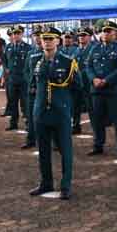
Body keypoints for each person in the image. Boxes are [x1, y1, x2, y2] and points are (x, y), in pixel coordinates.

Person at [28, 26, 80, 200]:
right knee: (43, 150)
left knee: (65, 149)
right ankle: (46, 182)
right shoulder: (35, 59)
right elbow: (32, 85)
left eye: (51, 39)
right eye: (44, 39)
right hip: (41, 112)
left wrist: (67, 106)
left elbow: (77, 87)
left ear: (58, 40)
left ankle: (65, 185)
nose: (47, 42)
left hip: (61, 111)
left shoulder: (68, 61)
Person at [86, 21, 117, 159]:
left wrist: (106, 80)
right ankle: (98, 145)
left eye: (109, 31)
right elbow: (88, 66)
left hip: (113, 90)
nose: (105, 33)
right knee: (97, 120)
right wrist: (93, 79)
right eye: (104, 31)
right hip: (97, 91)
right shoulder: (95, 48)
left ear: (114, 33)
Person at [3, 26, 31, 132]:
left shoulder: (28, 47)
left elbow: (29, 64)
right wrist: (6, 69)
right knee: (12, 102)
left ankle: (28, 124)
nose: (16, 35)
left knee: (25, 103)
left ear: (22, 34)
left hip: (23, 79)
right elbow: (5, 60)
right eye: (14, 33)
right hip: (12, 79)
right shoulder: (8, 47)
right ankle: (13, 123)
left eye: (18, 33)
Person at [22, 28, 43, 149]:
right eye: (35, 36)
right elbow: (26, 71)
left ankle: (54, 142)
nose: (37, 38)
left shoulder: (49, 52)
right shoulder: (30, 53)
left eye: (39, 35)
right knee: (30, 115)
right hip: (32, 89)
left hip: (45, 89)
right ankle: (31, 139)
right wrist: (30, 83)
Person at [72, 27, 96, 135]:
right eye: (80, 35)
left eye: (84, 35)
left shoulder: (94, 49)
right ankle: (76, 126)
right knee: (75, 106)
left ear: (90, 37)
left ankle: (96, 128)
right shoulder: (76, 50)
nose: (81, 37)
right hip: (77, 84)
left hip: (88, 83)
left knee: (91, 107)